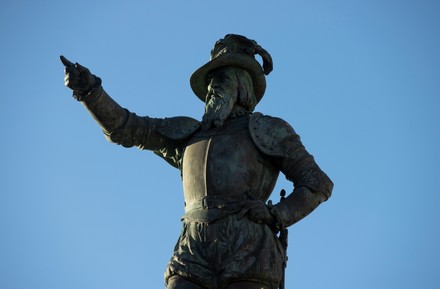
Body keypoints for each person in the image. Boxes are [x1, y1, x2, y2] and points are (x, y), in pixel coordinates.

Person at [61, 34, 333, 289]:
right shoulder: (188, 132)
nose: (213, 88)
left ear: (242, 84)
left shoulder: (270, 129)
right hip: (193, 248)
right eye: (211, 81)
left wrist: (278, 215)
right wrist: (91, 93)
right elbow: (126, 128)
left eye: (222, 78)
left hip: (249, 248)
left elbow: (317, 183)